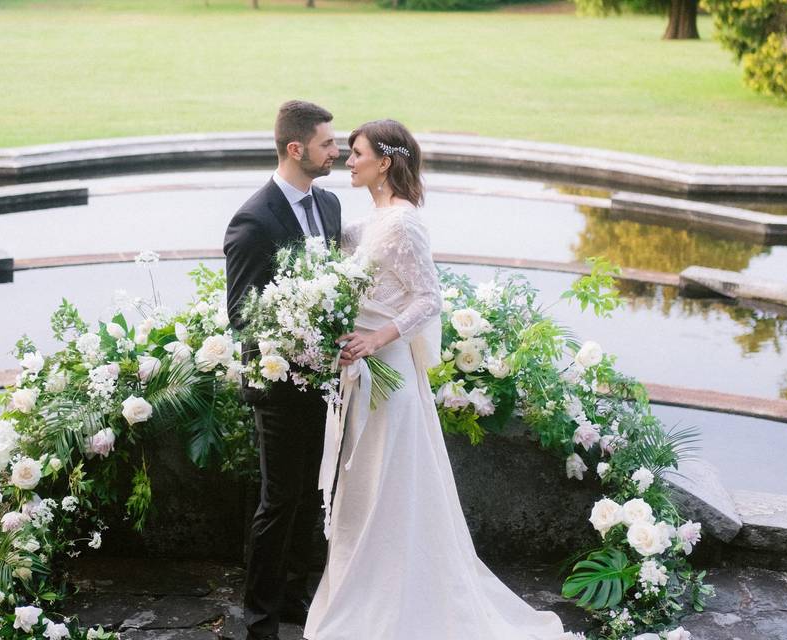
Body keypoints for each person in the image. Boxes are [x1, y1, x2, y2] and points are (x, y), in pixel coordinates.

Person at [303, 119, 578, 640]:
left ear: (384, 162)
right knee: (362, 488)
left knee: (390, 488)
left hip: (391, 378)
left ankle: (399, 601)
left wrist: (376, 339)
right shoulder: (370, 220)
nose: (349, 160)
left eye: (357, 153)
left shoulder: (404, 224)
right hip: (362, 374)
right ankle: (364, 588)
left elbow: (429, 298)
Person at [224, 100, 342, 640]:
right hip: (279, 388)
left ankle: (297, 599)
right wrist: (283, 367)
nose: (336, 152)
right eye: (327, 144)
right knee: (278, 501)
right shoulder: (253, 221)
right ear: (296, 149)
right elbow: (242, 317)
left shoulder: (332, 205)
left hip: (329, 384)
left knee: (314, 495)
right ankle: (260, 618)